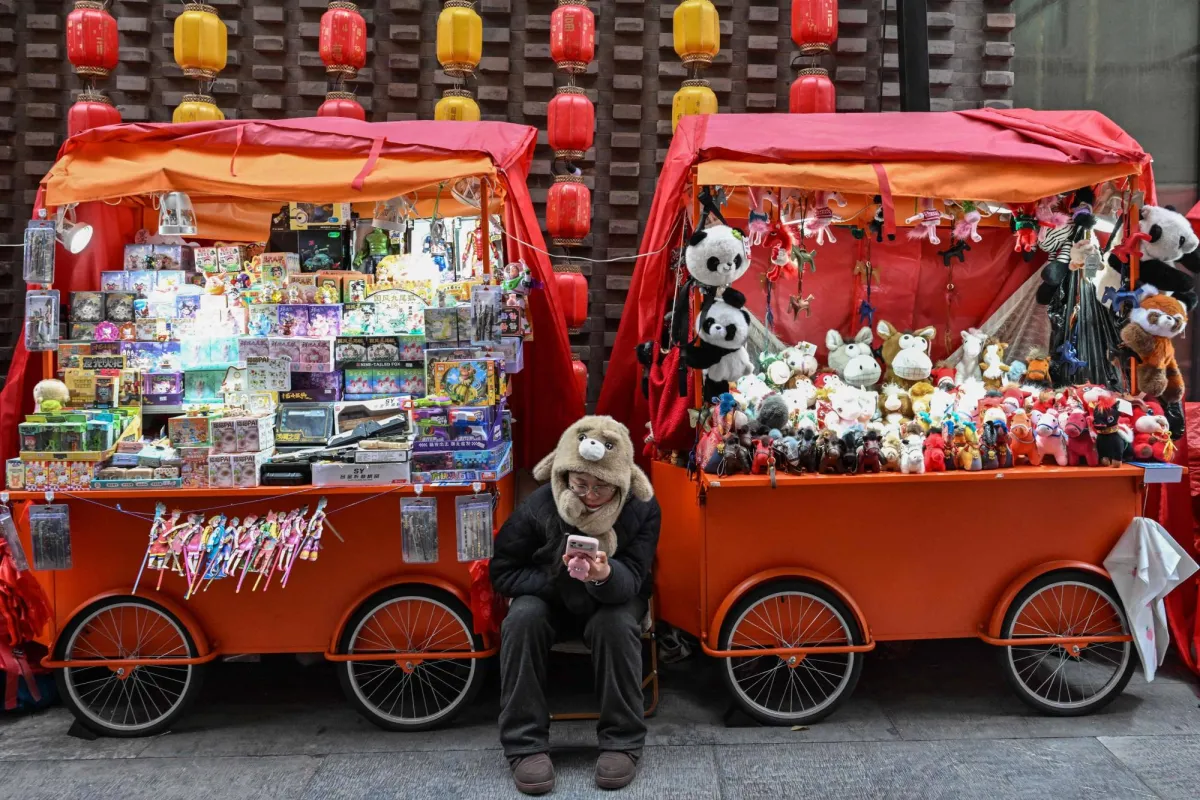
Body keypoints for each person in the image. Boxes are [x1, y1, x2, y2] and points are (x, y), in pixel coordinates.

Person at [491, 416, 659, 794]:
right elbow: (503, 571)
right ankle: (524, 744)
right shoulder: (541, 504)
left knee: (615, 625)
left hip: (615, 598)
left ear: (622, 481)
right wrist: (558, 578)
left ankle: (622, 741)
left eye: (602, 486)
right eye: (580, 484)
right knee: (522, 619)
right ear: (563, 473)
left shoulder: (642, 507)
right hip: (550, 596)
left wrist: (603, 575)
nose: (590, 495)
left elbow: (635, 576)